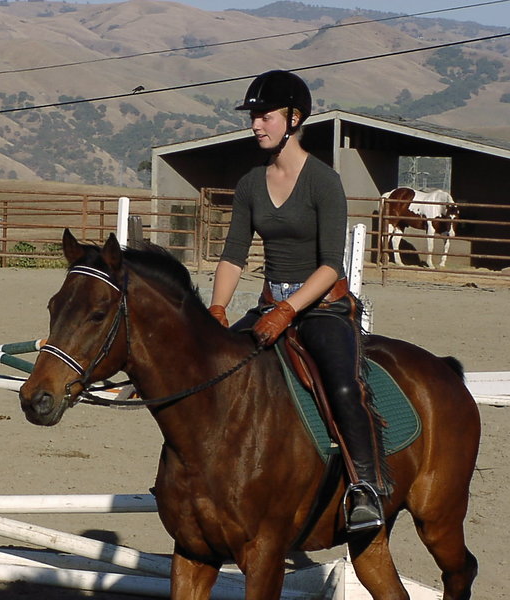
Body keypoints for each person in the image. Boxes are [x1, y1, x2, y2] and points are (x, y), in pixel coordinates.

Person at [207, 70, 390, 532]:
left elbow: (331, 265)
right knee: (213, 370)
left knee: (344, 386)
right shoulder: (251, 183)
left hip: (323, 306)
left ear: (294, 119)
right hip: (270, 303)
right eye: (253, 117)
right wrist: (217, 310)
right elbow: (233, 255)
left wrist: (289, 311)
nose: (255, 125)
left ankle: (365, 488)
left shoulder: (323, 181)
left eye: (264, 116)